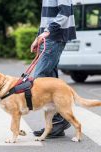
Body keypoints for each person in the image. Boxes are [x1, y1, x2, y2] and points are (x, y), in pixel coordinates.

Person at [31, 0, 76, 138]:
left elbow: (65, 12)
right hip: (50, 37)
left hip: (53, 37)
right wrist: (39, 37)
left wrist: (46, 32)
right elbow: (48, 18)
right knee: (51, 79)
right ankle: (58, 122)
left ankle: (59, 121)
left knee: (39, 79)